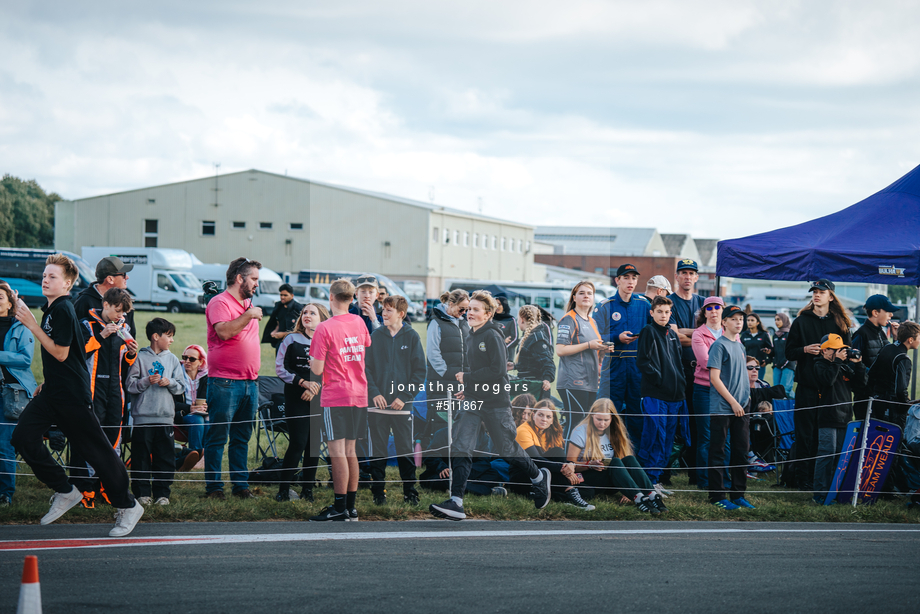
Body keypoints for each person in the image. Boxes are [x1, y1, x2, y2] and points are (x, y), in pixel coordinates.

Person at [11, 253, 143, 536]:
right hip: (53, 392)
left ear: (68, 283)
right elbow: (71, 356)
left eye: (53, 277)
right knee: (22, 436)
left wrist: (31, 325)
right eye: (45, 275)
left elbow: (60, 353)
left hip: (72, 395)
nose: (46, 280)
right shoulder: (53, 309)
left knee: (97, 453)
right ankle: (65, 490)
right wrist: (47, 382)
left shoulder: (64, 309)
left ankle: (128, 505)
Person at [429, 290, 550, 521]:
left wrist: (468, 378)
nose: (469, 313)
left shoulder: (492, 335)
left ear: (488, 314)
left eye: (475, 309)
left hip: (496, 402)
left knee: (506, 449)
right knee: (462, 444)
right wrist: (469, 388)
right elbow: (476, 373)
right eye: (468, 309)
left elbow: (498, 371)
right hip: (475, 401)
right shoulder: (471, 334)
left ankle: (538, 477)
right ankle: (456, 502)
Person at [309, 278, 372, 521]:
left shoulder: (325, 328)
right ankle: (351, 507)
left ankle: (338, 507)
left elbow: (316, 369)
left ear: (331, 297)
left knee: (336, 452)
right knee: (350, 450)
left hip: (336, 394)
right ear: (352, 298)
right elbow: (365, 345)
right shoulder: (358, 321)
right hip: (359, 393)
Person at [71, 287, 138, 508]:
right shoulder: (86, 324)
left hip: (115, 389)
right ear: (105, 304)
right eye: (117, 310)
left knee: (113, 438)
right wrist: (102, 335)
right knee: (89, 437)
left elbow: (126, 364)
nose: (120, 316)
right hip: (91, 389)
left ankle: (107, 487)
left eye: (124, 313)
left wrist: (131, 353)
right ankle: (85, 490)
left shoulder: (124, 328)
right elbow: (77, 353)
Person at [204, 257, 263, 500]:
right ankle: (215, 488)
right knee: (218, 437)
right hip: (225, 382)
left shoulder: (248, 303)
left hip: (250, 382)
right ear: (240, 279)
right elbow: (224, 331)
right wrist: (249, 315)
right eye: (254, 279)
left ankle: (241, 486)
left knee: (242, 437)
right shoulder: (220, 302)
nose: (257, 284)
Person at [785, 279, 852, 492]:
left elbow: (847, 353)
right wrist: (804, 349)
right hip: (807, 385)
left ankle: (825, 479)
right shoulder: (801, 321)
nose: (816, 295)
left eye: (821, 292)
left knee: (827, 437)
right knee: (805, 434)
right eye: (814, 291)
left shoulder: (841, 323)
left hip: (831, 388)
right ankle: (803, 479)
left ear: (831, 296)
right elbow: (788, 352)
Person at [366, 295, 426, 505]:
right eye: (383, 310)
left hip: (401, 406)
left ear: (401, 314)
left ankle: (410, 492)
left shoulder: (412, 337)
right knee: (378, 451)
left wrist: (404, 396)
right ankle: (378, 493)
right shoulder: (376, 335)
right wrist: (374, 393)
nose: (384, 314)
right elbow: (366, 369)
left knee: (405, 450)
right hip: (377, 405)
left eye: (389, 310)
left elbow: (419, 372)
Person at [565, 398, 666, 514]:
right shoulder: (580, 431)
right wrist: (590, 465)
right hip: (586, 478)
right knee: (615, 462)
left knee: (629, 459)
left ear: (612, 418)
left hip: (612, 479)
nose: (602, 424)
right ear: (591, 415)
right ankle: (638, 498)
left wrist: (626, 490)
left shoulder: (614, 431)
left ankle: (652, 495)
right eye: (598, 419)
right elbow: (569, 466)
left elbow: (625, 462)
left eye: (606, 420)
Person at [125, 317, 186, 505]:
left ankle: (162, 494)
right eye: (169, 336)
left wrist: (170, 382)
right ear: (155, 337)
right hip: (143, 419)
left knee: (165, 458)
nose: (172, 340)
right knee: (141, 458)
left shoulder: (173, 359)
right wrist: (146, 381)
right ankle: (142, 494)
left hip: (165, 418)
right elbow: (130, 385)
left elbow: (181, 386)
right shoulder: (139, 358)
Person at [275, 303, 329, 503]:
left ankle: (308, 490)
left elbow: (333, 371)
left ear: (322, 318)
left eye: (312, 313)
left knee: (313, 445)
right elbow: (281, 368)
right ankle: (283, 490)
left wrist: (315, 388)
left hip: (319, 398)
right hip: (295, 397)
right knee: (297, 443)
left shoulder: (327, 341)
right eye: (304, 312)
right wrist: (302, 383)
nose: (307, 315)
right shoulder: (291, 339)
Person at [594, 264, 650, 445]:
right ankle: (606, 455)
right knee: (607, 412)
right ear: (617, 280)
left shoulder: (644, 304)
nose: (630, 281)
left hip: (636, 367)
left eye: (634, 278)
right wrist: (616, 338)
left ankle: (634, 460)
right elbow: (594, 338)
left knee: (637, 414)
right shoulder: (605, 306)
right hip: (614, 366)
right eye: (626, 277)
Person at [707, 305, 755, 511]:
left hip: (742, 408)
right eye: (733, 319)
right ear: (724, 322)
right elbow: (714, 378)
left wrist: (744, 400)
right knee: (718, 452)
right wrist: (733, 402)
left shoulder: (741, 346)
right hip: (722, 408)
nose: (738, 322)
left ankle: (738, 494)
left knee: (741, 451)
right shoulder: (719, 345)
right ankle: (717, 495)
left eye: (741, 319)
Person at [636, 296, 688, 487]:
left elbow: (678, 363)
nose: (663, 315)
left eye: (666, 312)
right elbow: (643, 362)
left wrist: (680, 386)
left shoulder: (672, 334)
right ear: (652, 313)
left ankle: (657, 479)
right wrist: (660, 380)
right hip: (655, 395)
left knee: (667, 439)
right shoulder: (648, 331)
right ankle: (648, 480)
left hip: (675, 397)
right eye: (659, 311)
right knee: (654, 437)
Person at [866, 321, 920, 496]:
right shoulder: (903, 359)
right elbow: (899, 390)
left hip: (877, 404)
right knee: (892, 449)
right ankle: (887, 490)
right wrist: (907, 404)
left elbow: (871, 373)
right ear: (910, 340)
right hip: (893, 410)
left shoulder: (887, 348)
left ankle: (871, 483)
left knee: (876, 447)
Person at [514, 399, 594, 510]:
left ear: (552, 420)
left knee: (589, 491)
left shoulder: (553, 432)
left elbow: (558, 460)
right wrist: (565, 469)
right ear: (533, 415)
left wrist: (570, 465)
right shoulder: (523, 430)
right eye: (540, 415)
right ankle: (569, 492)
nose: (544, 419)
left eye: (548, 417)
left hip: (546, 473)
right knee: (557, 452)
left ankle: (561, 496)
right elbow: (536, 461)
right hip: (525, 474)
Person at [813, 334, 865, 503]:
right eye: (836, 350)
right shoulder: (819, 365)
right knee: (826, 454)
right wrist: (837, 362)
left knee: (841, 457)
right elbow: (827, 381)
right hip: (828, 417)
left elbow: (860, 384)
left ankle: (835, 492)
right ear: (825, 350)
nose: (841, 353)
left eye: (842, 349)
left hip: (845, 416)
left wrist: (858, 365)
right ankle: (820, 493)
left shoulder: (842, 366)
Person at [557, 281, 609, 439]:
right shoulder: (569, 319)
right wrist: (588, 345)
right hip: (573, 381)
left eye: (589, 293)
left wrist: (603, 349)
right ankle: (566, 462)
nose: (586, 296)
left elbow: (593, 349)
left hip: (590, 382)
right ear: (574, 297)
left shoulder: (592, 321)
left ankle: (580, 462)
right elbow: (560, 350)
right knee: (575, 424)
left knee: (585, 425)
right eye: (581, 293)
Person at [0, 281, 37, 507]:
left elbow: (25, 358)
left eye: (0, 297)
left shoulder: (19, 326)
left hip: (10, 393)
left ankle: (6, 493)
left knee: (4, 444)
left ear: (10, 301)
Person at [425, 289, 470, 440]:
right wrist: (447, 373)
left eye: (466, 309)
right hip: (442, 381)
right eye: (461, 308)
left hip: (462, 381)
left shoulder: (465, 323)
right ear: (451, 304)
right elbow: (433, 354)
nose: (464, 312)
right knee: (441, 422)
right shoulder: (435, 323)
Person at [690, 296, 724, 490]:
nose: (713, 311)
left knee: (722, 436)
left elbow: (738, 358)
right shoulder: (699, 334)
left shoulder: (730, 332)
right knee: (705, 436)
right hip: (704, 388)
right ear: (704, 312)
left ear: (722, 310)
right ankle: (703, 480)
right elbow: (705, 362)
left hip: (726, 390)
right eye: (709, 308)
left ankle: (721, 477)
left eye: (717, 307)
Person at [851, 294, 898, 420]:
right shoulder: (861, 334)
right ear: (875, 312)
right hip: (866, 399)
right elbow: (852, 366)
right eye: (888, 311)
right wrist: (873, 378)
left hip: (881, 397)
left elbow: (890, 360)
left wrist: (896, 339)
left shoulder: (881, 333)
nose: (891, 315)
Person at [73, 256, 137, 340]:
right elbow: (77, 338)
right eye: (123, 275)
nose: (127, 277)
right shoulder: (84, 301)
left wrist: (131, 352)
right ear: (110, 279)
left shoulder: (125, 301)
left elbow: (131, 334)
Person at [172, 344, 210, 473]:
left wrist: (206, 406)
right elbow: (171, 403)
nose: (187, 361)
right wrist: (189, 408)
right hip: (180, 415)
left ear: (201, 362)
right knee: (197, 420)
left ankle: (206, 457)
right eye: (184, 358)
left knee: (209, 420)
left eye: (192, 359)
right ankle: (196, 456)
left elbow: (211, 399)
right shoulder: (176, 375)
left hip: (201, 415)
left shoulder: (206, 378)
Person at [513, 305, 555, 400]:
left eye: (518, 318)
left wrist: (547, 379)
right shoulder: (529, 336)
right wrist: (514, 365)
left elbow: (548, 363)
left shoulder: (537, 338)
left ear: (522, 319)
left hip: (534, 388)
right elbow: (531, 362)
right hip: (526, 385)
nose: (517, 321)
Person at [261, 283, 304, 354]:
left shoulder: (298, 309)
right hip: (280, 343)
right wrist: (275, 330)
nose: (282, 297)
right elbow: (278, 321)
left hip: (294, 344)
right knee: (278, 363)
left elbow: (301, 329)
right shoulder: (278, 307)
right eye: (281, 295)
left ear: (292, 296)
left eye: (285, 295)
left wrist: (284, 334)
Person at [740, 313, 773, 379]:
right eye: (748, 320)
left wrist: (767, 361)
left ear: (757, 322)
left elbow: (771, 350)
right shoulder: (744, 335)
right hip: (747, 365)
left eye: (752, 320)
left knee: (757, 386)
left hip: (759, 366)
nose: (749, 322)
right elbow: (739, 349)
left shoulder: (764, 335)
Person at [772, 313, 796, 400]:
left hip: (788, 365)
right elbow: (774, 351)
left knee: (786, 390)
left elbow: (791, 351)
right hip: (777, 366)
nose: (776, 322)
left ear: (785, 320)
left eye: (778, 319)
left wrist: (784, 363)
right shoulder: (775, 335)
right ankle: (780, 411)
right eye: (775, 319)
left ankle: (797, 404)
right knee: (776, 390)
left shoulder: (790, 334)